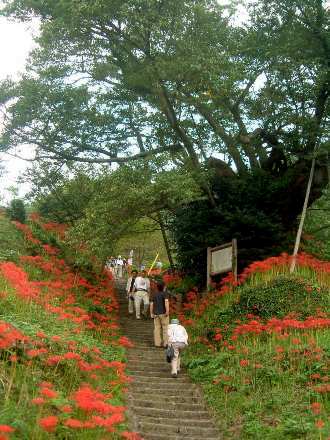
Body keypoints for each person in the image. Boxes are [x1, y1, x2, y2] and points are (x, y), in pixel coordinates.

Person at [150, 281, 169, 348]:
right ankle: (165, 343)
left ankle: (157, 343)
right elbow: (166, 302)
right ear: (164, 287)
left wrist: (151, 313)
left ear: (157, 287)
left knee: (157, 328)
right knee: (165, 328)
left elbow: (151, 304)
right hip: (163, 313)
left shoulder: (154, 294)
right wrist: (167, 311)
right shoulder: (165, 294)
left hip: (156, 314)